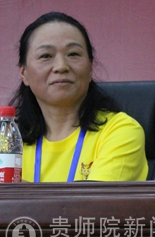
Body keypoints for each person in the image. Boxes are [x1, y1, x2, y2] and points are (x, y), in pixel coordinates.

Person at [10, 12, 148, 182]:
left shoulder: (121, 131)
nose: (61, 66)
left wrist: (13, 191)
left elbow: (95, 199)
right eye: (46, 56)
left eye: (73, 54)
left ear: (90, 68)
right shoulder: (8, 140)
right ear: (24, 73)